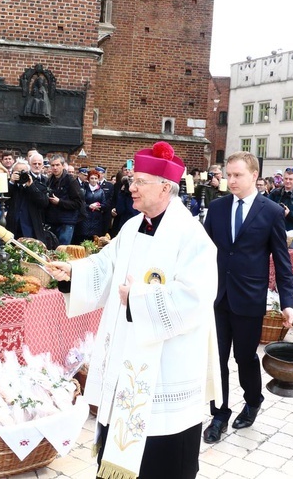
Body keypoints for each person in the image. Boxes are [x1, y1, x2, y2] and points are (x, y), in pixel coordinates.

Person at [44, 141, 220, 479]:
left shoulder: (191, 236)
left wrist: (137, 299)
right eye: (132, 180)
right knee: (118, 441)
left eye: (140, 181)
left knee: (161, 461)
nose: (131, 187)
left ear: (165, 187)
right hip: (127, 355)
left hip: (168, 364)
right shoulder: (131, 225)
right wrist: (74, 274)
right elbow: (105, 266)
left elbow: (195, 299)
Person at [202, 151, 293, 444]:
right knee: (216, 360)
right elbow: (203, 254)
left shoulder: (270, 212)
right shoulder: (216, 209)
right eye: (228, 175)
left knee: (244, 357)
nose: (231, 180)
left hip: (249, 298)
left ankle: (253, 400)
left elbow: (282, 261)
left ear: (254, 175)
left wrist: (288, 302)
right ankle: (219, 413)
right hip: (216, 298)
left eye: (237, 175)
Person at [5, 159, 50, 243]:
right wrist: (11, 182)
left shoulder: (37, 186)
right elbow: (4, 199)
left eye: (24, 172)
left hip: (31, 227)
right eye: (18, 172)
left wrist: (31, 186)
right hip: (13, 227)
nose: (21, 174)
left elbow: (44, 203)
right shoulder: (10, 185)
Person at [45, 154, 84, 245]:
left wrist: (59, 202)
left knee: (62, 250)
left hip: (66, 221)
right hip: (52, 220)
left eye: (57, 165)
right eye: (53, 165)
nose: (55, 168)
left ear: (63, 166)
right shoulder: (49, 181)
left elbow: (78, 203)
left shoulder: (71, 181)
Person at [80, 170, 107, 240]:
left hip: (96, 219)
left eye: (95, 178)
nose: (94, 180)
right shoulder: (83, 189)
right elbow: (81, 202)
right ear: (88, 179)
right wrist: (89, 206)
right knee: (83, 238)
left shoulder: (101, 191)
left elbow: (104, 204)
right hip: (85, 217)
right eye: (92, 178)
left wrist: (98, 205)